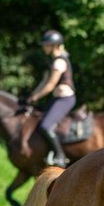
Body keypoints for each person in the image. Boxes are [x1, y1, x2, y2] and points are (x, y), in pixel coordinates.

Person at [24, 30, 77, 168]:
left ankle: (60, 157)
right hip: (57, 99)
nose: (44, 47)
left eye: (46, 44)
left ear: (54, 45)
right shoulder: (54, 61)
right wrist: (31, 96)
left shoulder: (59, 62)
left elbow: (50, 85)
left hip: (65, 99)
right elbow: (43, 82)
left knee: (45, 125)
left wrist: (35, 97)